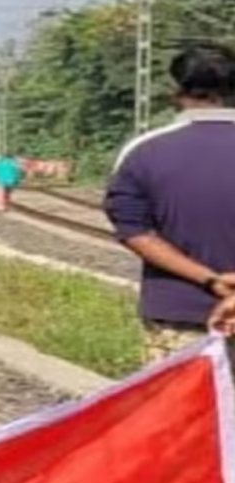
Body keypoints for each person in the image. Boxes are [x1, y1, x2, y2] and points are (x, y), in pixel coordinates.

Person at [106, 43, 235, 365]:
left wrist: (211, 279)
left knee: (181, 414)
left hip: (177, 316)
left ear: (176, 91)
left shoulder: (142, 152)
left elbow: (135, 232)